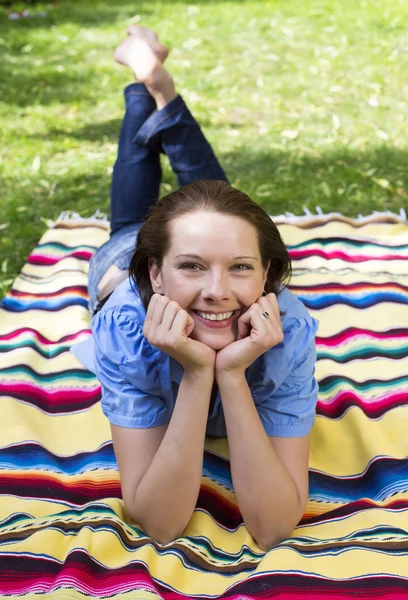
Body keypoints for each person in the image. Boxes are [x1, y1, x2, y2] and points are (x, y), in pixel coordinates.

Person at [72, 26, 319, 551]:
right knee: (136, 207)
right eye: (191, 269)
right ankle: (144, 89)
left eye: (242, 269)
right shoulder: (124, 329)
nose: (217, 292)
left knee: (220, 209)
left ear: (267, 275)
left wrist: (228, 373)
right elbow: (160, 524)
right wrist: (194, 375)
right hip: (124, 266)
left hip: (182, 248)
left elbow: (273, 526)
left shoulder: (289, 329)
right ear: (158, 273)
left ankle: (152, 81)